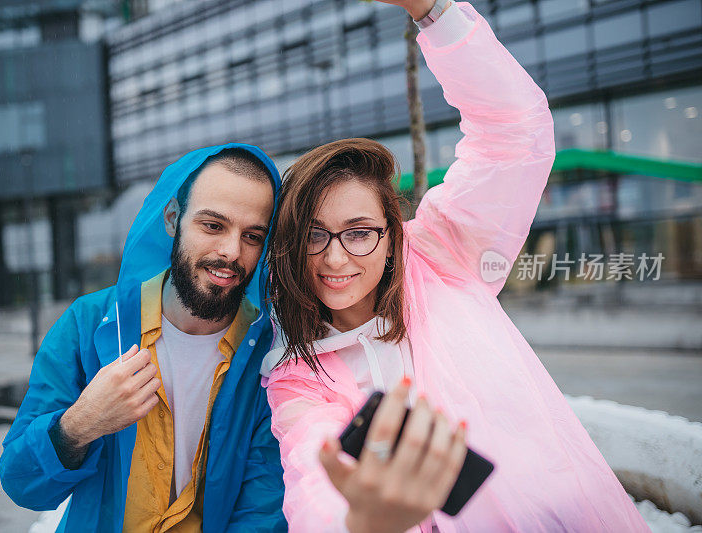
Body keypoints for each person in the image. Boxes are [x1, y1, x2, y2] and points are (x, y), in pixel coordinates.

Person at [262, 1, 650, 532]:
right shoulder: (298, 376)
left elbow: (515, 131)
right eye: (312, 235)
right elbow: (315, 475)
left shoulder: (443, 258)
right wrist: (361, 522)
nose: (334, 257)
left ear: (393, 235)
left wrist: (433, 11)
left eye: (358, 233)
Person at [0, 144, 287, 532]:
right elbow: (21, 483)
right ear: (172, 218)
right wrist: (80, 424)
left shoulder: (271, 353)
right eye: (213, 225)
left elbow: (262, 512)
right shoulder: (89, 325)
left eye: (252, 236)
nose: (231, 251)